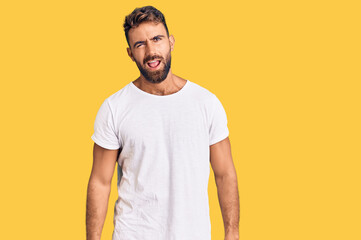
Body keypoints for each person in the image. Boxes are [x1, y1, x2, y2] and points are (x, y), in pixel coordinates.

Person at [86, 5, 239, 240]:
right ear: (130, 53)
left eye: (157, 39)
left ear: (171, 42)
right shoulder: (115, 107)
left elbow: (225, 173)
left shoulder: (206, 103)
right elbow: (100, 181)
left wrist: (232, 233)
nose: (150, 51)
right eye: (140, 44)